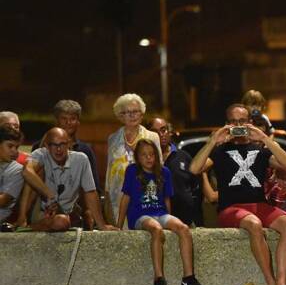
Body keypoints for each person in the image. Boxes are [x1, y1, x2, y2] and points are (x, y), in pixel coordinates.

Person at [190, 104, 286, 285]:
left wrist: (265, 138)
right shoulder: (220, 151)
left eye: (242, 122)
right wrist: (213, 141)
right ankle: (271, 284)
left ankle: (282, 283)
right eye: (233, 122)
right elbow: (195, 169)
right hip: (231, 209)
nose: (238, 125)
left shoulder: (260, 150)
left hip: (258, 205)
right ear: (227, 124)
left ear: (249, 123)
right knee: (253, 224)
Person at [117, 138, 204, 285]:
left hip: (160, 213)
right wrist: (119, 225)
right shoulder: (132, 171)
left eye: (151, 154)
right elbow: (125, 198)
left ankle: (188, 278)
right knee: (156, 229)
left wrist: (170, 221)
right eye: (144, 155)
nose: (149, 158)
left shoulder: (164, 172)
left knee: (183, 228)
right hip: (140, 215)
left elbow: (166, 200)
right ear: (138, 157)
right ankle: (159, 278)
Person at [21, 128, 112, 232]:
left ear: (68, 144)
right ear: (47, 146)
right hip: (43, 211)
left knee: (64, 221)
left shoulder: (81, 159)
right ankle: (26, 224)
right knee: (35, 171)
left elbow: (90, 192)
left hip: (69, 213)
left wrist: (102, 225)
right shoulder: (41, 154)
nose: (58, 149)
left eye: (62, 144)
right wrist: (49, 195)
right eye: (54, 145)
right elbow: (26, 171)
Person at [106, 93, 162, 225]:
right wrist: (107, 202)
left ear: (142, 114)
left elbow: (159, 168)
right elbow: (109, 172)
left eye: (135, 111)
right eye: (127, 112)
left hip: (145, 199)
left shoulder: (152, 137)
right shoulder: (113, 139)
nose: (132, 115)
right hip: (118, 200)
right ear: (120, 116)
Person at [50, 100, 100, 224]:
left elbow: (94, 187)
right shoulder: (41, 148)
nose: (68, 123)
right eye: (64, 119)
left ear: (78, 122)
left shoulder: (85, 151)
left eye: (72, 119)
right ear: (56, 120)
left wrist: (89, 211)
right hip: (47, 208)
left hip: (77, 211)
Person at [152, 117, 203, 227]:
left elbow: (196, 188)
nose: (161, 134)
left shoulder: (183, 156)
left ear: (169, 132)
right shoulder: (147, 160)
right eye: (155, 132)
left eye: (163, 130)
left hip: (186, 220)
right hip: (157, 219)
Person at [0, 126, 24, 230]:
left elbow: (3, 201)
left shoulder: (16, 170)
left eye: (17, 147)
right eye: (10, 146)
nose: (15, 151)